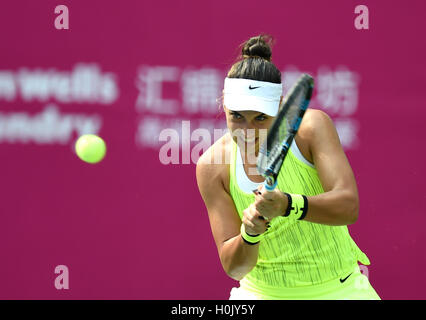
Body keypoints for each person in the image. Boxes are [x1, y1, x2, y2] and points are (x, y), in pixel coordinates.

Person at [195, 34, 380, 300]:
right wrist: (249, 233)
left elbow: (348, 206)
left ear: (280, 107)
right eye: (237, 117)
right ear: (223, 105)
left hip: (340, 291)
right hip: (260, 294)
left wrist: (288, 205)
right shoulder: (212, 167)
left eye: (260, 118)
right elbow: (235, 268)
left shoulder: (311, 128)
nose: (248, 131)